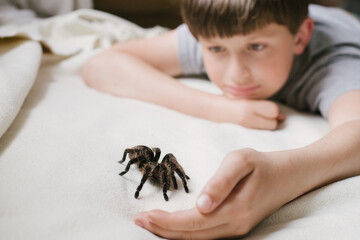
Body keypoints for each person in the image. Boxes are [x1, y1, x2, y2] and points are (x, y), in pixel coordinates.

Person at [82, 0, 360, 239]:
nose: (235, 74)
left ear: (300, 38)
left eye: (257, 47)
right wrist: (219, 108)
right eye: (215, 50)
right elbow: (100, 66)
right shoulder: (220, 28)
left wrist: (284, 178)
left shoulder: (335, 63)